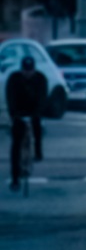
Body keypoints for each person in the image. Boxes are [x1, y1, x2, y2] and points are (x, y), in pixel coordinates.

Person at [7, 56, 46, 191]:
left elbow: (42, 98)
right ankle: (15, 178)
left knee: (38, 129)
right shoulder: (14, 79)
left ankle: (38, 152)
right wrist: (14, 115)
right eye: (25, 71)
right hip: (19, 113)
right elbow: (10, 97)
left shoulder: (40, 79)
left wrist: (37, 113)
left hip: (33, 111)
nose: (28, 74)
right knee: (16, 145)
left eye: (30, 71)